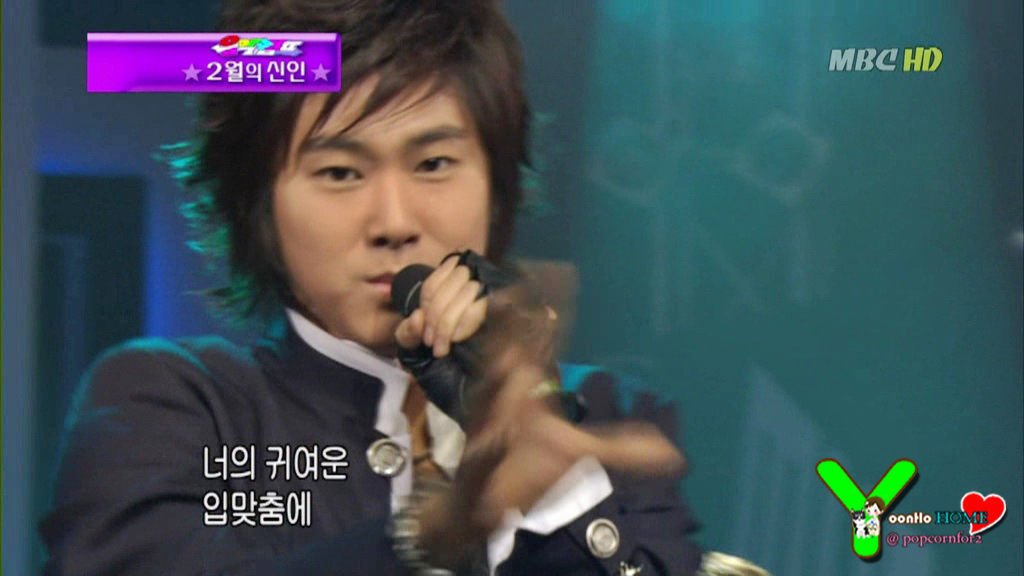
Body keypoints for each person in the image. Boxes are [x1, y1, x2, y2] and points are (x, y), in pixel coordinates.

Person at [39, 1, 714, 574]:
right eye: (340, 172)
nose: (394, 222)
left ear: (498, 185)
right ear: (256, 204)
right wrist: (438, 533)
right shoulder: (173, 404)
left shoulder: (611, 412)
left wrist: (555, 488)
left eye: (434, 163)